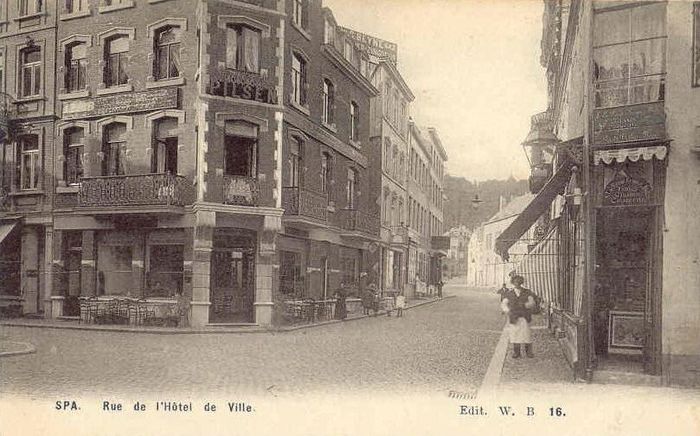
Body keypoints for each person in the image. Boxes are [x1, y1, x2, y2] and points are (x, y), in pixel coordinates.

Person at [500, 275, 537, 358]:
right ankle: (516, 352)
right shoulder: (509, 293)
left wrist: (525, 305)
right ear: (513, 283)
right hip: (514, 317)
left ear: (521, 282)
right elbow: (504, 304)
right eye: (515, 282)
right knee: (515, 334)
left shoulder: (527, 292)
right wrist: (508, 311)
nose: (517, 283)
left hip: (525, 316)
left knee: (526, 334)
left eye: (519, 282)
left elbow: (532, 302)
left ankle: (529, 352)